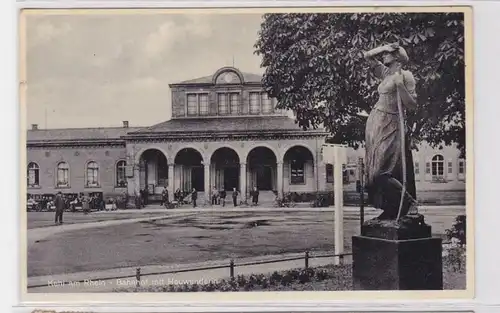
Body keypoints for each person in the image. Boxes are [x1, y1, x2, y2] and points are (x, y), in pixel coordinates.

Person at [362, 42, 419, 220]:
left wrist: (400, 86)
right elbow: (367, 56)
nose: (383, 56)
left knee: (381, 172)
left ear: (396, 57)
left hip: (392, 124)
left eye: (387, 54)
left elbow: (412, 105)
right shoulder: (385, 74)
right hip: (376, 123)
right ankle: (391, 208)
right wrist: (384, 47)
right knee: (372, 174)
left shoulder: (406, 75)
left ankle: (408, 202)